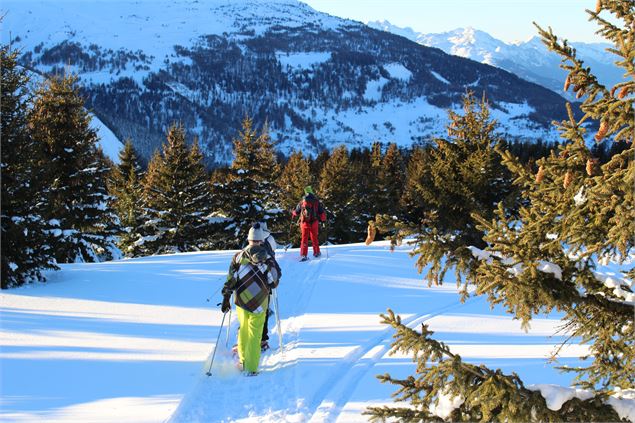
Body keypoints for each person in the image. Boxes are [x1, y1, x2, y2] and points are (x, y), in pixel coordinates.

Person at [221, 225, 280, 376]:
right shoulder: (267, 258)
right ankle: (252, 368)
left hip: (241, 300)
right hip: (260, 301)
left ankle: (242, 362)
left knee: (243, 330)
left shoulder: (238, 256)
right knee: (255, 334)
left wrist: (226, 297)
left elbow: (230, 279)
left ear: (248, 239)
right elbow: (273, 281)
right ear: (262, 240)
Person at [253, 221, 281, 352]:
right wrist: (273, 282)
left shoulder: (245, 246)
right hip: (263, 287)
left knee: (247, 313)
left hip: (246, 286)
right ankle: (262, 340)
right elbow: (276, 270)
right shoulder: (268, 243)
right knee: (262, 313)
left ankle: (245, 340)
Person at [292, 186, 326, 261]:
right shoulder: (316, 202)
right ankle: (316, 252)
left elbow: (296, 212)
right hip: (314, 223)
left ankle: (303, 255)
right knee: (314, 238)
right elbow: (321, 213)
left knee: (304, 239)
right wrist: (323, 221)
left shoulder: (302, 202)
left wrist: (293, 212)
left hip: (304, 224)